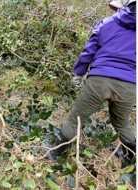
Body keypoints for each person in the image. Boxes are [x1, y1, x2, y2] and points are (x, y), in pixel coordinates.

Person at [43, 1, 136, 164]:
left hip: (100, 79)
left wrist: (79, 73)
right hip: (129, 84)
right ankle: (130, 158)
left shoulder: (107, 23)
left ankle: (53, 152)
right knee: (121, 122)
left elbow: (89, 49)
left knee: (75, 118)